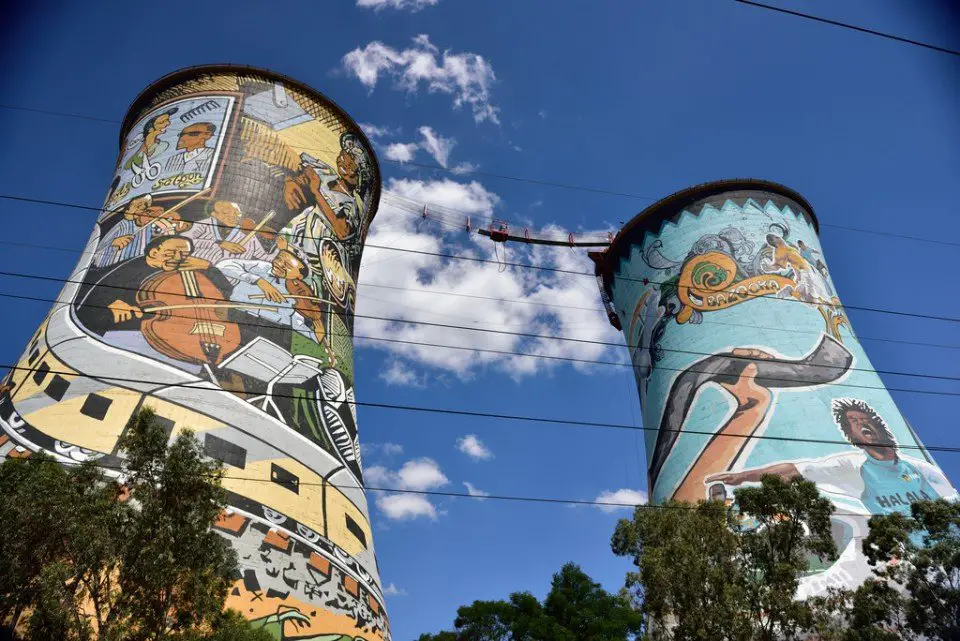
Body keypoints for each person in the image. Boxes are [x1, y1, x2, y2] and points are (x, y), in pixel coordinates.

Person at [707, 398, 958, 515]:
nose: (863, 425)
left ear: (880, 424)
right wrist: (743, 476)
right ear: (851, 435)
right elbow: (795, 470)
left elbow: (952, 497)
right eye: (855, 423)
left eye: (866, 420)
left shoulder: (921, 468)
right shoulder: (853, 466)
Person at [217, 249, 327, 343]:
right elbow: (222, 265)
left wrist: (316, 327)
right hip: (235, 313)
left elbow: (295, 320)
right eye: (279, 259)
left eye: (287, 266)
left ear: (299, 276)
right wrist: (259, 281)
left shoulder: (295, 294)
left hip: (267, 328)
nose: (279, 264)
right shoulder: (262, 267)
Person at [94, 195, 189, 267]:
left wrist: (172, 225)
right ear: (128, 212)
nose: (144, 210)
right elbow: (95, 253)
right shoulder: (121, 226)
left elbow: (168, 235)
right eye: (140, 207)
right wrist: (113, 242)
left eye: (146, 207)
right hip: (109, 267)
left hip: (131, 267)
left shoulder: (148, 229)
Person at [184, 200, 273, 264]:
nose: (233, 216)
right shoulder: (203, 225)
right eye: (226, 213)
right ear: (214, 215)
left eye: (237, 213)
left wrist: (281, 248)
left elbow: (264, 257)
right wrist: (219, 243)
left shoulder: (247, 235)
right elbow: (183, 241)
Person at [124, 107, 178, 171]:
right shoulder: (139, 152)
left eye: (167, 120)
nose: (168, 123)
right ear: (150, 129)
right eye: (162, 122)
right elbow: (127, 166)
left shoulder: (163, 145)